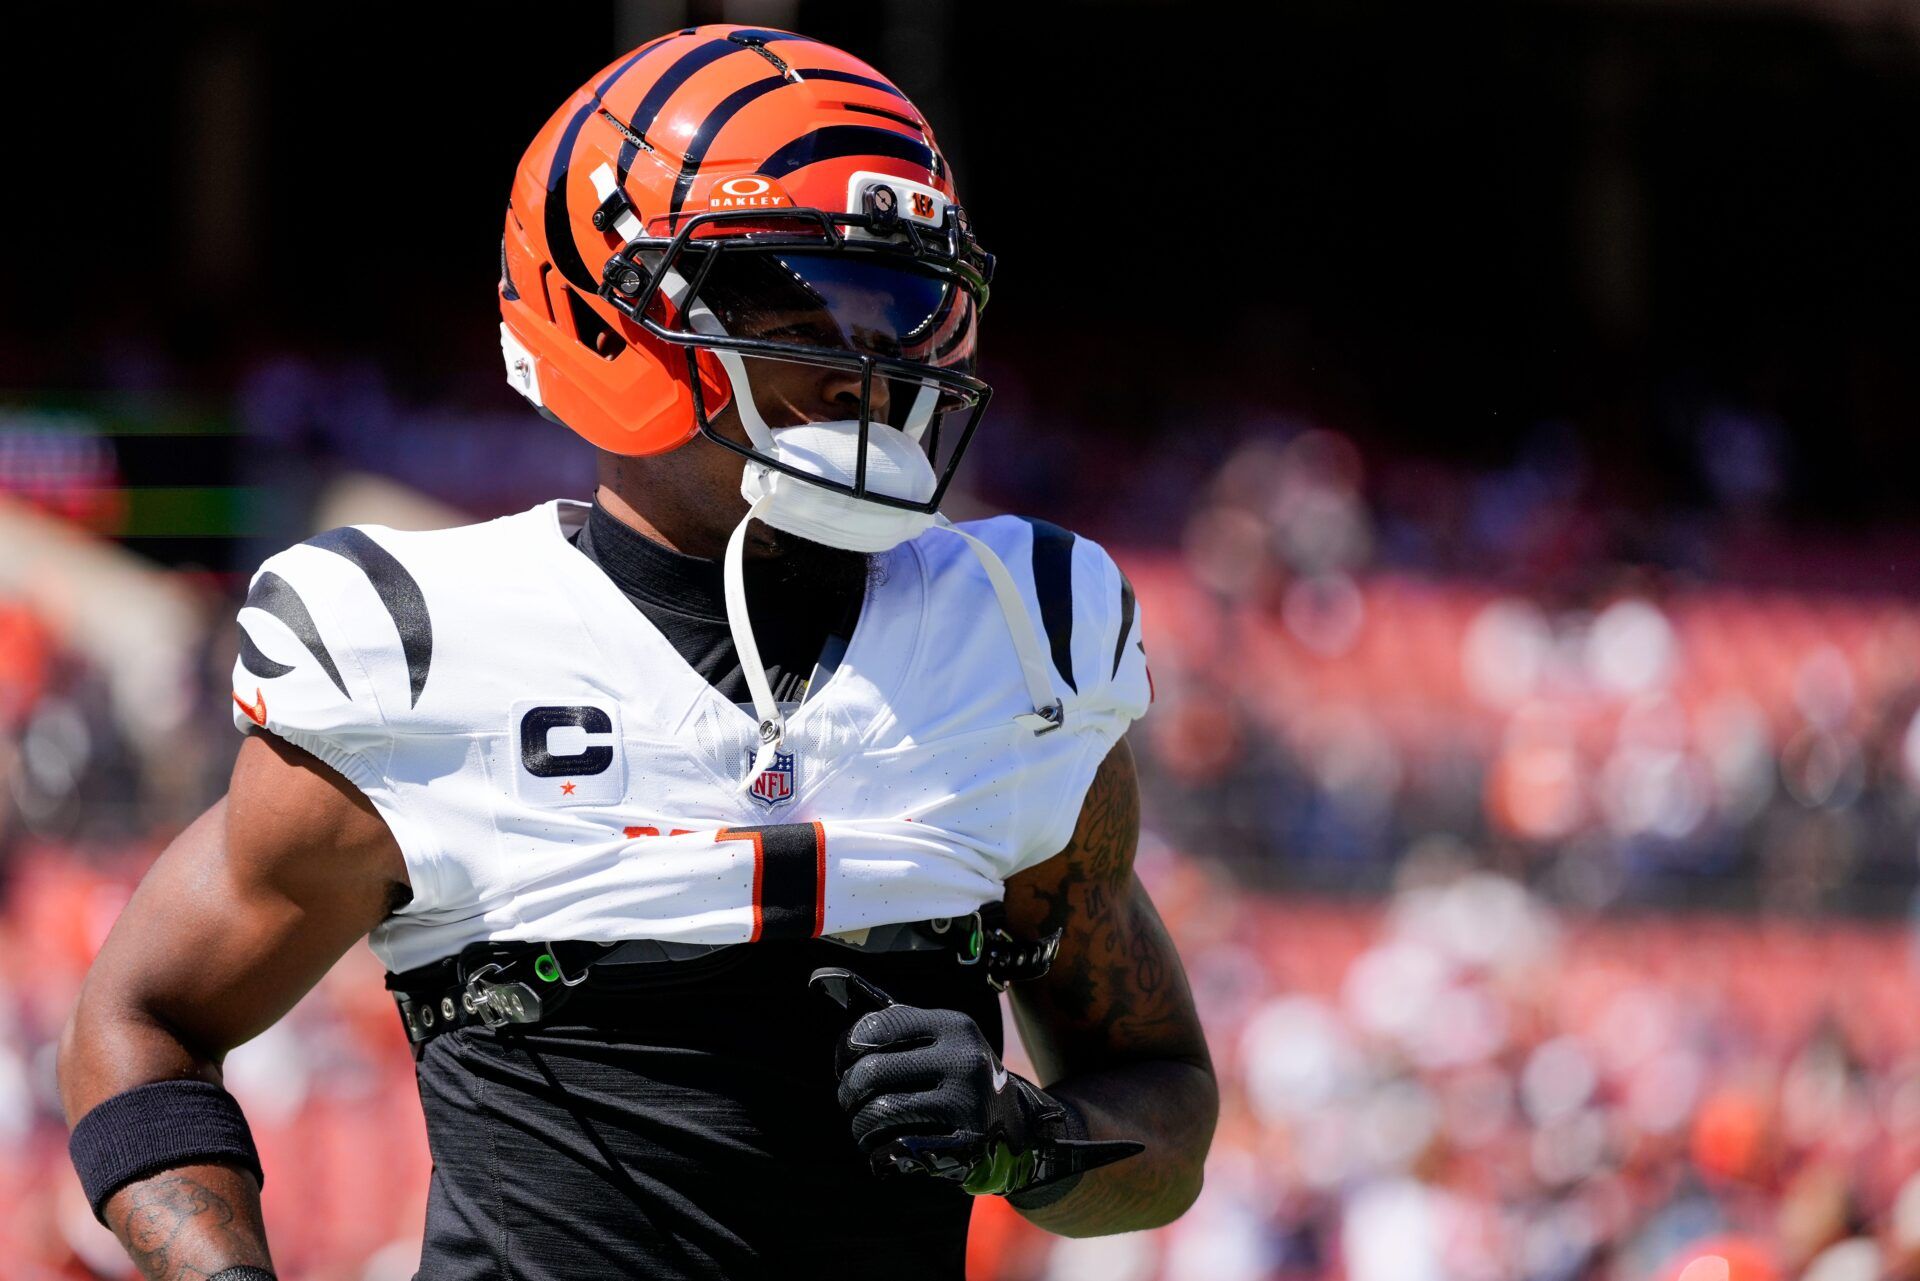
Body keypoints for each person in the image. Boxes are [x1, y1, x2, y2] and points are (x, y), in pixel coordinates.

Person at [57, 24, 1218, 1280]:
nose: (873, 368)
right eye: (808, 301)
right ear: (606, 314)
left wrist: (1027, 1137)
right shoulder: (422, 648)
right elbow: (145, 1023)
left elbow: (1162, 1106)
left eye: (907, 302)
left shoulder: (1016, 643)